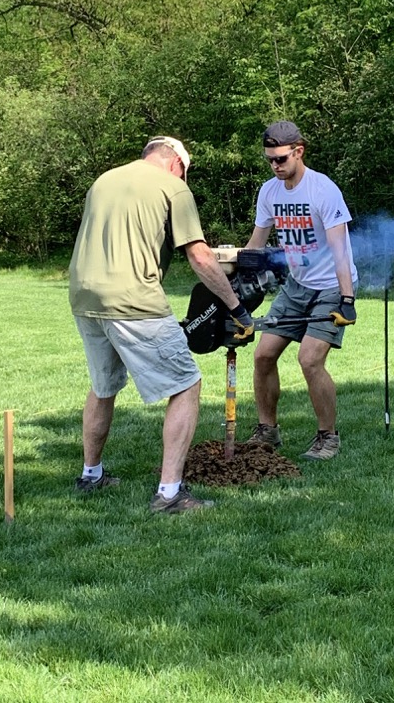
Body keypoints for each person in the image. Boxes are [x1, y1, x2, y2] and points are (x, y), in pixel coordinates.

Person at [68, 135, 254, 513]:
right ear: (177, 164)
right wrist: (236, 307)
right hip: (134, 298)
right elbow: (200, 257)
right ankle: (170, 494)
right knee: (186, 383)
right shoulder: (174, 187)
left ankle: (91, 475)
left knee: (103, 386)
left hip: (84, 296)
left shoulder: (105, 180)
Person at [243, 121, 358, 460]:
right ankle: (267, 431)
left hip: (331, 288)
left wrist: (347, 300)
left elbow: (340, 251)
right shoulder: (269, 192)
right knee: (263, 355)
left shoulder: (323, 190)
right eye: (269, 160)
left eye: (280, 159)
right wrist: (235, 285)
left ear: (298, 151)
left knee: (309, 360)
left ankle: (328, 437)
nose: (275, 166)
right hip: (296, 286)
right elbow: (257, 244)